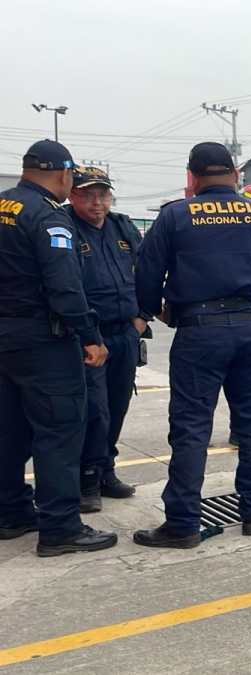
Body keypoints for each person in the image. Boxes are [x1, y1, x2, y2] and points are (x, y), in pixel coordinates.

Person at [133, 142, 251, 548]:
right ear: (235, 173)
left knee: (191, 429)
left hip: (200, 331)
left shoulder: (176, 216)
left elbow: (146, 273)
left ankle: (183, 523)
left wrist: (153, 310)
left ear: (192, 177)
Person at [0, 140, 117, 557]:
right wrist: (90, 336)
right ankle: (61, 527)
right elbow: (65, 288)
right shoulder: (50, 219)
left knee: (10, 430)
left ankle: (11, 512)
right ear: (65, 174)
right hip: (43, 342)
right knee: (60, 431)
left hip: (6, 339)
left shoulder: (4, 205)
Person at [66, 166, 144, 512]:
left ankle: (106, 469)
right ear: (73, 195)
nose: (97, 202)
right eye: (88, 194)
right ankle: (86, 476)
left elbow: (148, 271)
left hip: (125, 332)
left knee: (117, 405)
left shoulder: (122, 227)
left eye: (103, 194)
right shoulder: (64, 227)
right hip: (88, 336)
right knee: (93, 410)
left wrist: (141, 318)